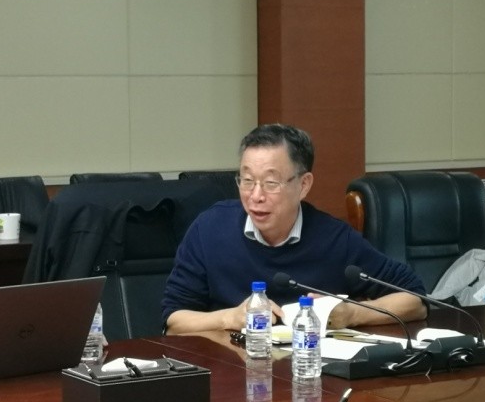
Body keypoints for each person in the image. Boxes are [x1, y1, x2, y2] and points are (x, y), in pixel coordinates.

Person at [162, 124, 427, 334]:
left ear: (303, 185)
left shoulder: (335, 239)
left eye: (271, 183)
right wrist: (229, 318)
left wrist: (353, 313)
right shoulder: (210, 229)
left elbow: (415, 300)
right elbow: (174, 320)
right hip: (230, 369)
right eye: (247, 180)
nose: (256, 196)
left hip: (311, 370)